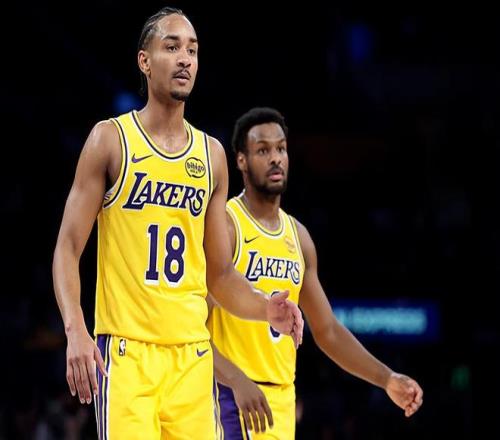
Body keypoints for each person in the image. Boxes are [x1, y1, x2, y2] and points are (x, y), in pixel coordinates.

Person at [52, 8, 303, 440]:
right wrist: (75, 329)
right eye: (171, 47)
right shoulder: (111, 140)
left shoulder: (212, 156)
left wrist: (266, 307)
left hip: (192, 358)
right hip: (128, 355)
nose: (185, 58)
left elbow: (220, 275)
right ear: (144, 61)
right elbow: (68, 248)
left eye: (193, 50)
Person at [207, 107, 424, 439]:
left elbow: (328, 331)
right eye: (263, 150)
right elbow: (191, 328)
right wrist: (235, 380)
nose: (275, 158)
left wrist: (387, 378)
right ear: (241, 161)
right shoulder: (226, 225)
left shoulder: (299, 238)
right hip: (231, 397)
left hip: (281, 402)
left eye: (281, 148)